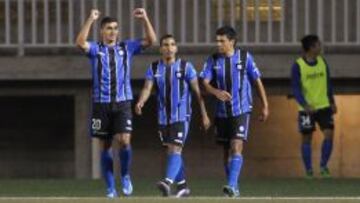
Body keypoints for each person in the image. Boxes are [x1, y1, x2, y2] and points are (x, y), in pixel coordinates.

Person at [75, 8, 156, 198]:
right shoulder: (96, 49)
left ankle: (126, 176)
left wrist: (145, 18)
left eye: (115, 28)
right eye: (109, 28)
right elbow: (79, 42)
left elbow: (151, 41)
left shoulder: (126, 47)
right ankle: (110, 187)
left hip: (123, 103)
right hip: (101, 103)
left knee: (125, 141)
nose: (113, 31)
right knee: (106, 145)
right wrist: (90, 19)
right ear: (102, 31)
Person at [135, 34, 210, 197]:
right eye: (165, 45)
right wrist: (141, 101)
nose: (169, 48)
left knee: (176, 149)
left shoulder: (186, 67)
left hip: (181, 116)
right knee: (172, 152)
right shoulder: (154, 68)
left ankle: (167, 182)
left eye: (172, 44)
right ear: (161, 49)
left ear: (176, 48)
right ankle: (183, 187)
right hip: (163, 118)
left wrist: (204, 114)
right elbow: (147, 88)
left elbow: (198, 93)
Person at [199, 26, 269, 197]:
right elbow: (204, 83)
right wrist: (216, 92)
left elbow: (257, 81)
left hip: (241, 110)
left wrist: (265, 105)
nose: (218, 44)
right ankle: (234, 187)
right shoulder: (213, 60)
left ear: (232, 42)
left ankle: (230, 185)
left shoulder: (245, 58)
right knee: (225, 151)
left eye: (222, 41)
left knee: (236, 146)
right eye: (217, 40)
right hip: (222, 113)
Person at [291, 34, 337, 179]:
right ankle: (309, 170)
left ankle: (323, 166)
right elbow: (296, 89)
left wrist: (332, 101)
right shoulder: (298, 65)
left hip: (324, 106)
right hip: (306, 109)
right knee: (307, 138)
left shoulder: (323, 62)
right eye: (318, 45)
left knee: (329, 134)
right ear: (311, 48)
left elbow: (328, 84)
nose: (320, 47)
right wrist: (305, 105)